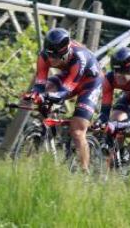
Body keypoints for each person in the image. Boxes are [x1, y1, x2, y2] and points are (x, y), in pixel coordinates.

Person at [23, 27, 102, 172]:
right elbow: (40, 84)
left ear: (66, 52)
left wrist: (48, 97)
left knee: (78, 131)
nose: (52, 60)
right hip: (67, 76)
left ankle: (85, 173)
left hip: (89, 83)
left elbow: (66, 90)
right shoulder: (44, 56)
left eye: (57, 57)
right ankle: (52, 135)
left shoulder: (79, 58)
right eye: (49, 56)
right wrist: (34, 94)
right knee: (44, 94)